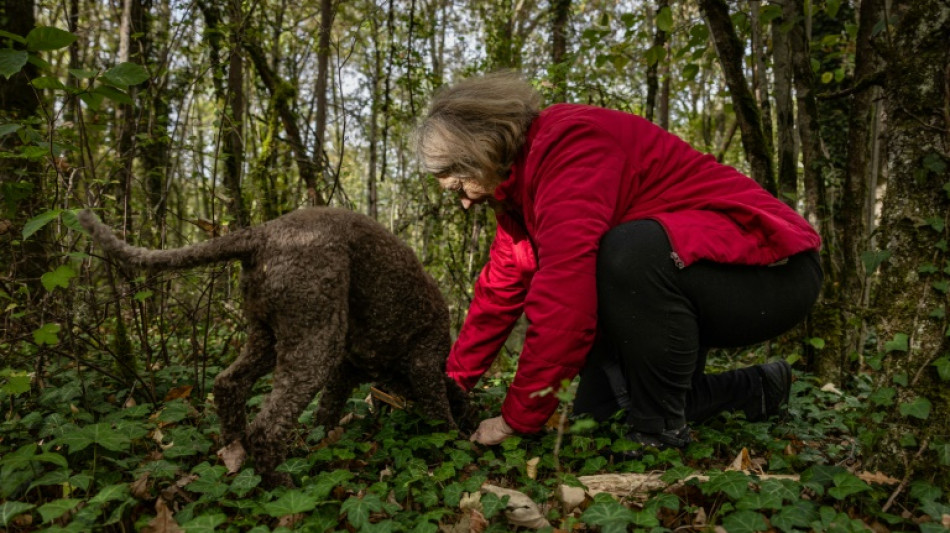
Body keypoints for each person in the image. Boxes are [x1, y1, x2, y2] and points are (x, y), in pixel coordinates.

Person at [415, 72, 822, 450]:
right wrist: (450, 386)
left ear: (483, 151)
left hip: (771, 274)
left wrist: (515, 420)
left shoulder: (570, 146)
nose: (465, 202)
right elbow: (498, 294)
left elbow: (564, 299)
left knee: (625, 250)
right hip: (689, 273)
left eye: (460, 186)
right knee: (597, 418)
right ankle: (759, 388)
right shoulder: (518, 199)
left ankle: (657, 429)